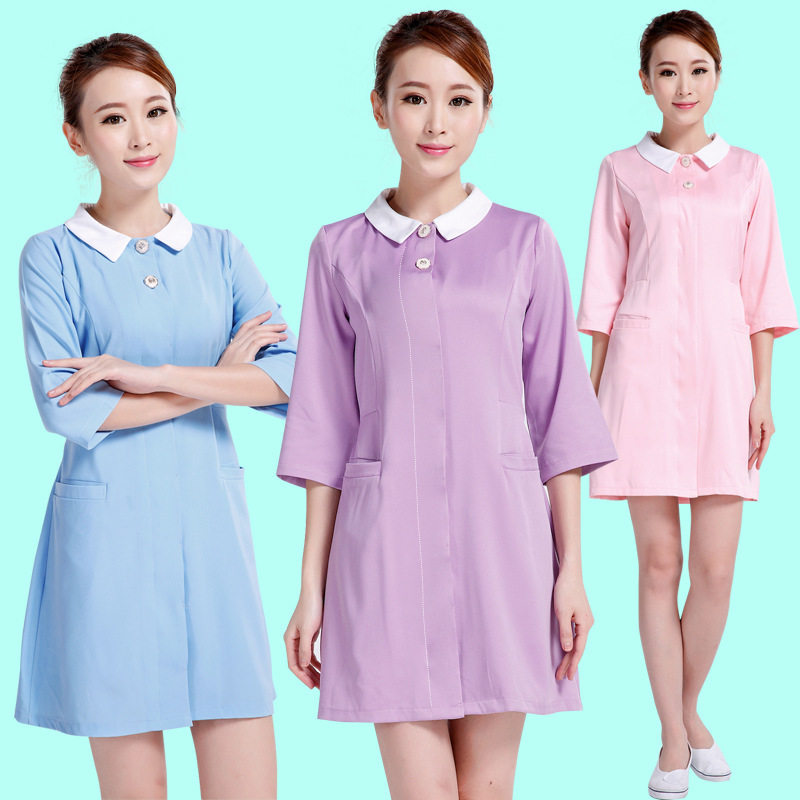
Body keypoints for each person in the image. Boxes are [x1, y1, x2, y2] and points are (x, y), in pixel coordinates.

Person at [277, 10, 616, 799]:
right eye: (414, 98)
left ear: (487, 111)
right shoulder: (338, 251)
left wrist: (571, 571)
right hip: (383, 553)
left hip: (505, 550)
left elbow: (559, 418)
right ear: (379, 107)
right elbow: (323, 427)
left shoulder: (527, 242)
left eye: (460, 100)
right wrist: (310, 588)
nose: (437, 123)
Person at [15, 33, 296, 800]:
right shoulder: (50, 257)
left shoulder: (221, 251)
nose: (141, 135)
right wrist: (222, 377)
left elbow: (293, 377)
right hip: (109, 548)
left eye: (157, 111)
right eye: (113, 118)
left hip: (214, 540)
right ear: (76, 136)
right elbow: (73, 408)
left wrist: (161, 379)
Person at [576, 10, 797, 799]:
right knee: (659, 564)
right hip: (638, 378)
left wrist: (764, 392)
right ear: (645, 81)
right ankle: (675, 738)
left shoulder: (750, 172)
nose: (683, 85)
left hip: (726, 380)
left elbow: (763, 291)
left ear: (718, 75)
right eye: (667, 71)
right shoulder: (620, 170)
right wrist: (591, 398)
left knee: (715, 568)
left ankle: (689, 708)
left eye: (698, 69)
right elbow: (601, 292)